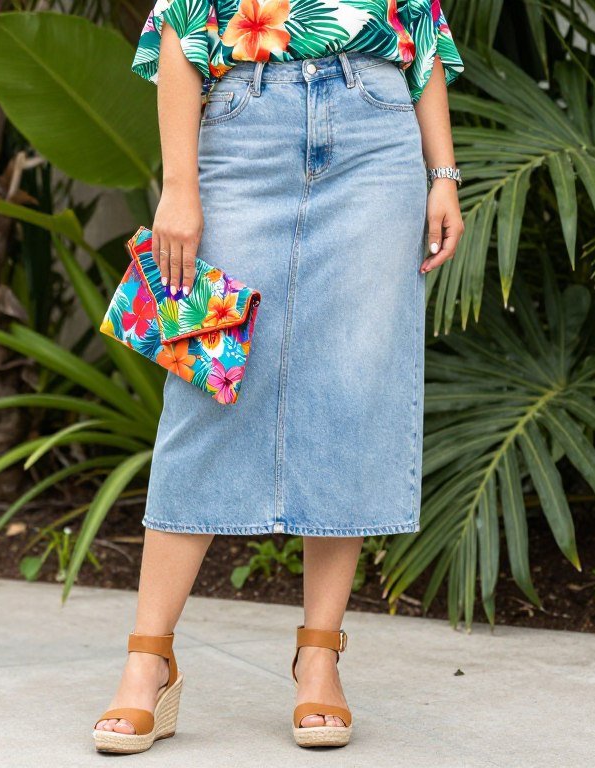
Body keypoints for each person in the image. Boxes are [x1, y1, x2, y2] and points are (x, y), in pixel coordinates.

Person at [92, 0, 465, 753]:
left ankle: (319, 656)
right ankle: (149, 659)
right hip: (243, 126)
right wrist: (179, 185)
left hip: (376, 132)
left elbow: (421, 30)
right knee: (206, 394)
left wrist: (444, 174)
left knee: (351, 390)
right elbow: (180, 29)